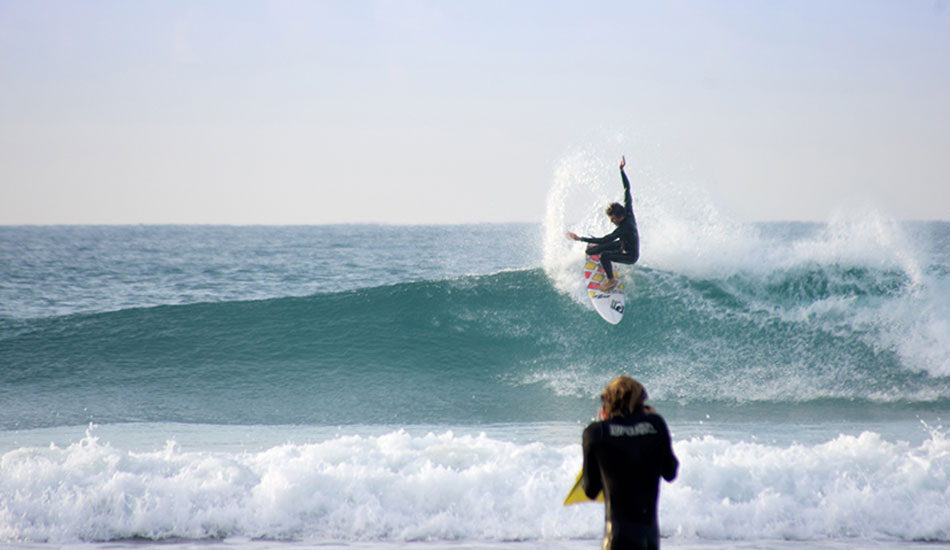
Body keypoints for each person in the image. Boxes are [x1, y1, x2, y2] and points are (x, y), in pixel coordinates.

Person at [581, 376, 678, 550]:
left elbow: (590, 489)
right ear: (641, 403)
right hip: (650, 539)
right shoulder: (656, 425)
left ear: (606, 403)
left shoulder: (596, 433)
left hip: (617, 539)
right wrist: (651, 421)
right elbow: (670, 472)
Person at [567, 156, 640, 292]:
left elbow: (605, 239)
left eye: (613, 219)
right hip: (622, 245)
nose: (612, 221)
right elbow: (627, 190)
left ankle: (611, 280)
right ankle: (604, 258)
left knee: (604, 255)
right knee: (590, 251)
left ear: (620, 216)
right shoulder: (628, 211)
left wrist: (580, 238)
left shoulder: (624, 228)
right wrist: (621, 171)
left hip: (630, 255)